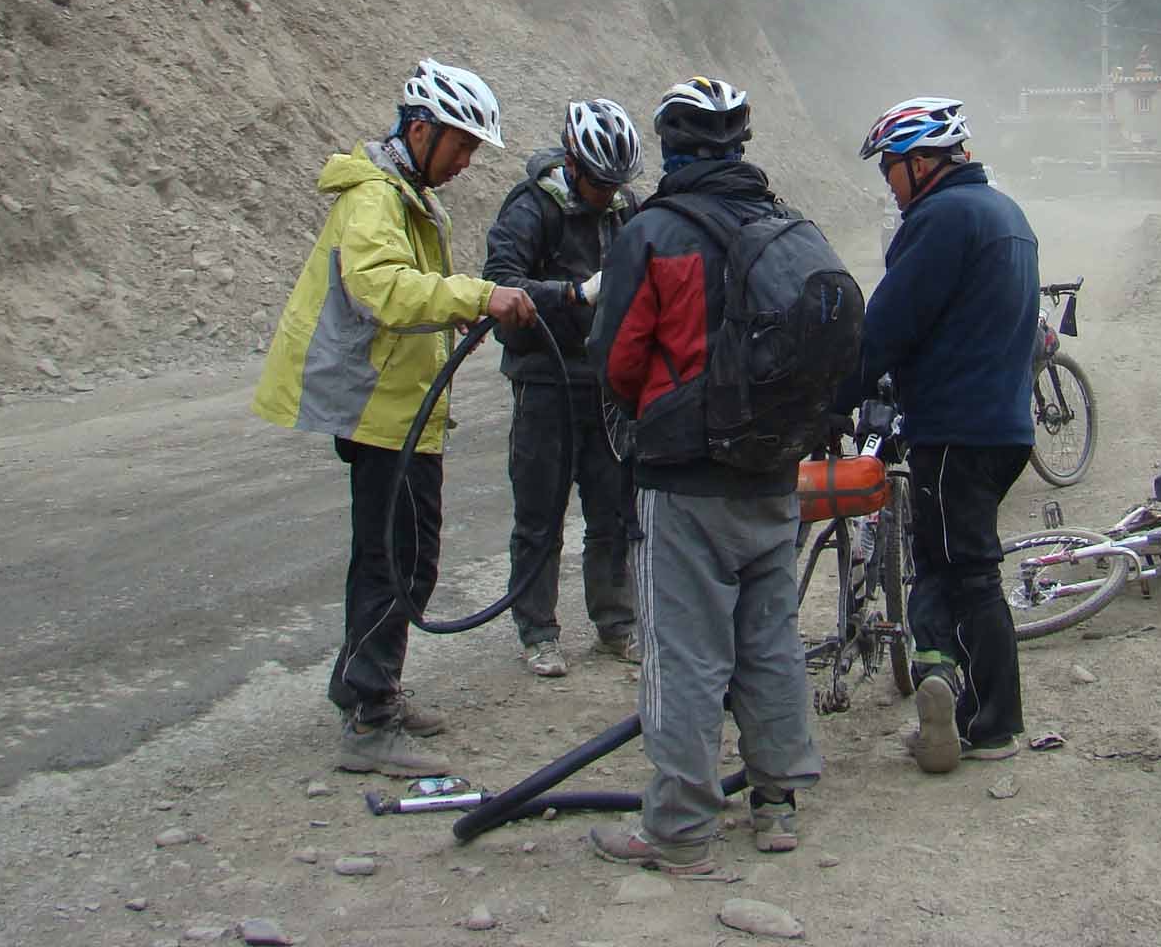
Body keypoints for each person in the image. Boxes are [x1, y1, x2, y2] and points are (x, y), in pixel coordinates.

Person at [252, 58, 537, 778]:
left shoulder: (401, 192)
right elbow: (382, 288)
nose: (468, 162)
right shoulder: (376, 197)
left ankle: (364, 682)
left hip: (401, 409)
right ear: (420, 130)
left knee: (401, 555)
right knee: (396, 560)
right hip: (382, 412)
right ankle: (371, 718)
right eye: (462, 145)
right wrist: (479, 296)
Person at [584, 76, 822, 876]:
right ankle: (778, 803)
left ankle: (680, 831)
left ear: (672, 149)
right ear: (739, 147)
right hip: (775, 473)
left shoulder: (653, 232)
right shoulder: (788, 226)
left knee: (684, 654)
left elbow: (616, 360)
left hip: (686, 482)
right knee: (770, 642)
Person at [848, 95, 1039, 771]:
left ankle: (991, 722)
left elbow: (887, 325)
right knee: (946, 558)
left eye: (891, 170)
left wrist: (844, 390)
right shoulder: (1006, 214)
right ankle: (950, 690)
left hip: (957, 428)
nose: (890, 185)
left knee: (969, 572)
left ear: (923, 163)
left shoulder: (941, 218)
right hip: (1007, 425)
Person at [483, 98, 646, 678]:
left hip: (605, 386)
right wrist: (573, 294)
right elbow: (499, 285)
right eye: (600, 181)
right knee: (540, 511)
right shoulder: (531, 208)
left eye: (617, 182)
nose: (608, 192)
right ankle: (539, 630)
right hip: (545, 381)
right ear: (574, 164)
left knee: (613, 510)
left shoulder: (626, 208)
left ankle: (616, 622)